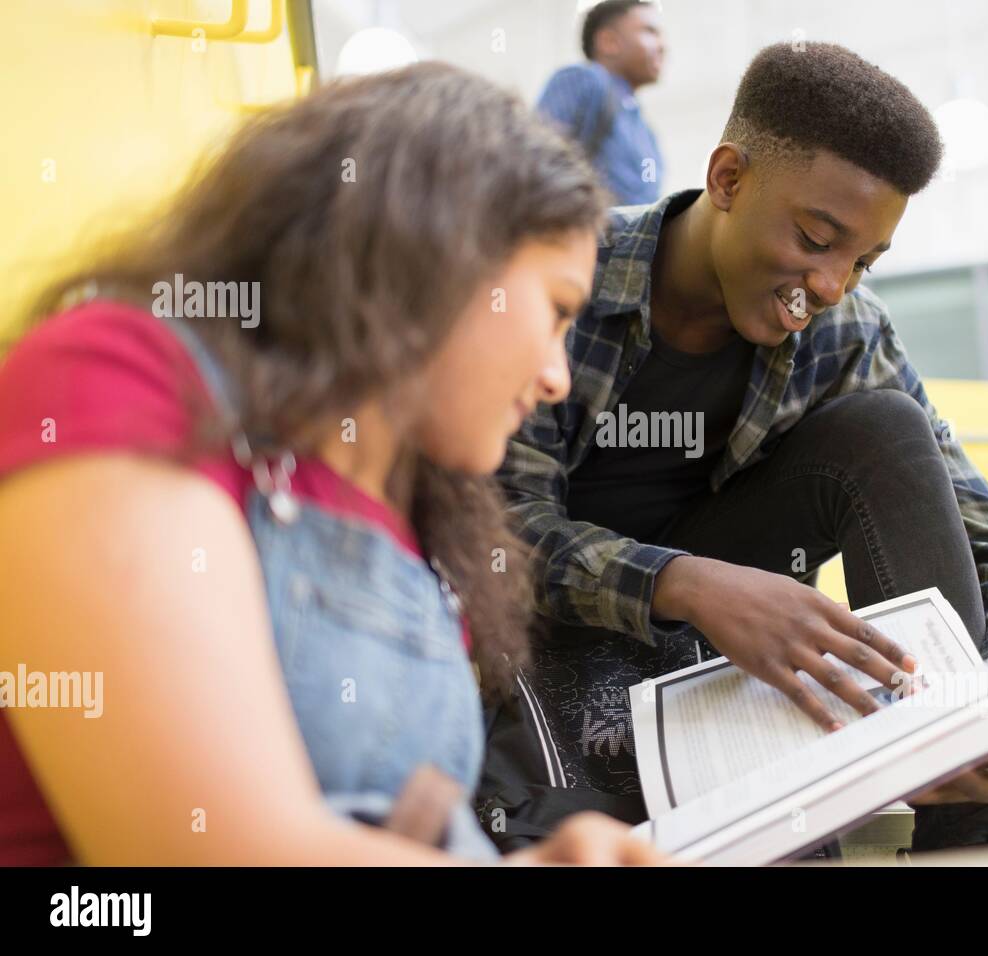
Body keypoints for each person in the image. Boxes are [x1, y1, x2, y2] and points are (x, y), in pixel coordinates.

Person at [0, 62, 668, 866]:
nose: (559, 375)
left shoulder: (423, 534)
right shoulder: (119, 372)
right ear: (440, 254)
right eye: (557, 310)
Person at [476, 42, 988, 855]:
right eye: (816, 237)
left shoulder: (846, 331)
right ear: (727, 180)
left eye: (863, 260)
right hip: (555, 622)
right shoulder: (566, 274)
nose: (830, 285)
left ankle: (968, 823)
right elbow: (500, 530)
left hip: (726, 623)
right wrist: (685, 584)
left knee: (887, 429)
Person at [537, 0, 666, 206]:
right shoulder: (585, 80)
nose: (662, 46)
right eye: (649, 31)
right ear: (609, 42)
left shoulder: (643, 126)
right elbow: (537, 162)